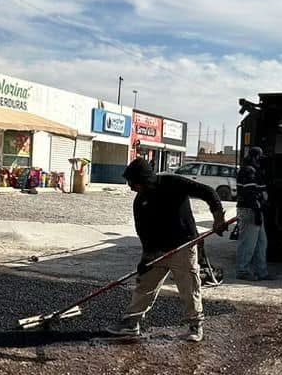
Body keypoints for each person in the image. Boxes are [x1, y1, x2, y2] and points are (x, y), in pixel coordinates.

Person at [110, 158, 227, 342]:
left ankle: (195, 325)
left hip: (183, 246)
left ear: (145, 179)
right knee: (145, 285)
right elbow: (143, 232)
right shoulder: (140, 202)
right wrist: (146, 257)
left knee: (189, 287)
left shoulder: (173, 183)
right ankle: (131, 324)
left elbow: (208, 192)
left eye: (134, 183)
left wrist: (218, 216)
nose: (131, 187)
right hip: (158, 250)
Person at [235, 146, 270, 280]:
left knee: (261, 243)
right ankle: (242, 271)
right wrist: (256, 212)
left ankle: (261, 271)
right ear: (255, 157)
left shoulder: (253, 170)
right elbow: (249, 195)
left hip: (255, 210)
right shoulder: (248, 171)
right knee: (247, 244)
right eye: (260, 156)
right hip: (250, 210)